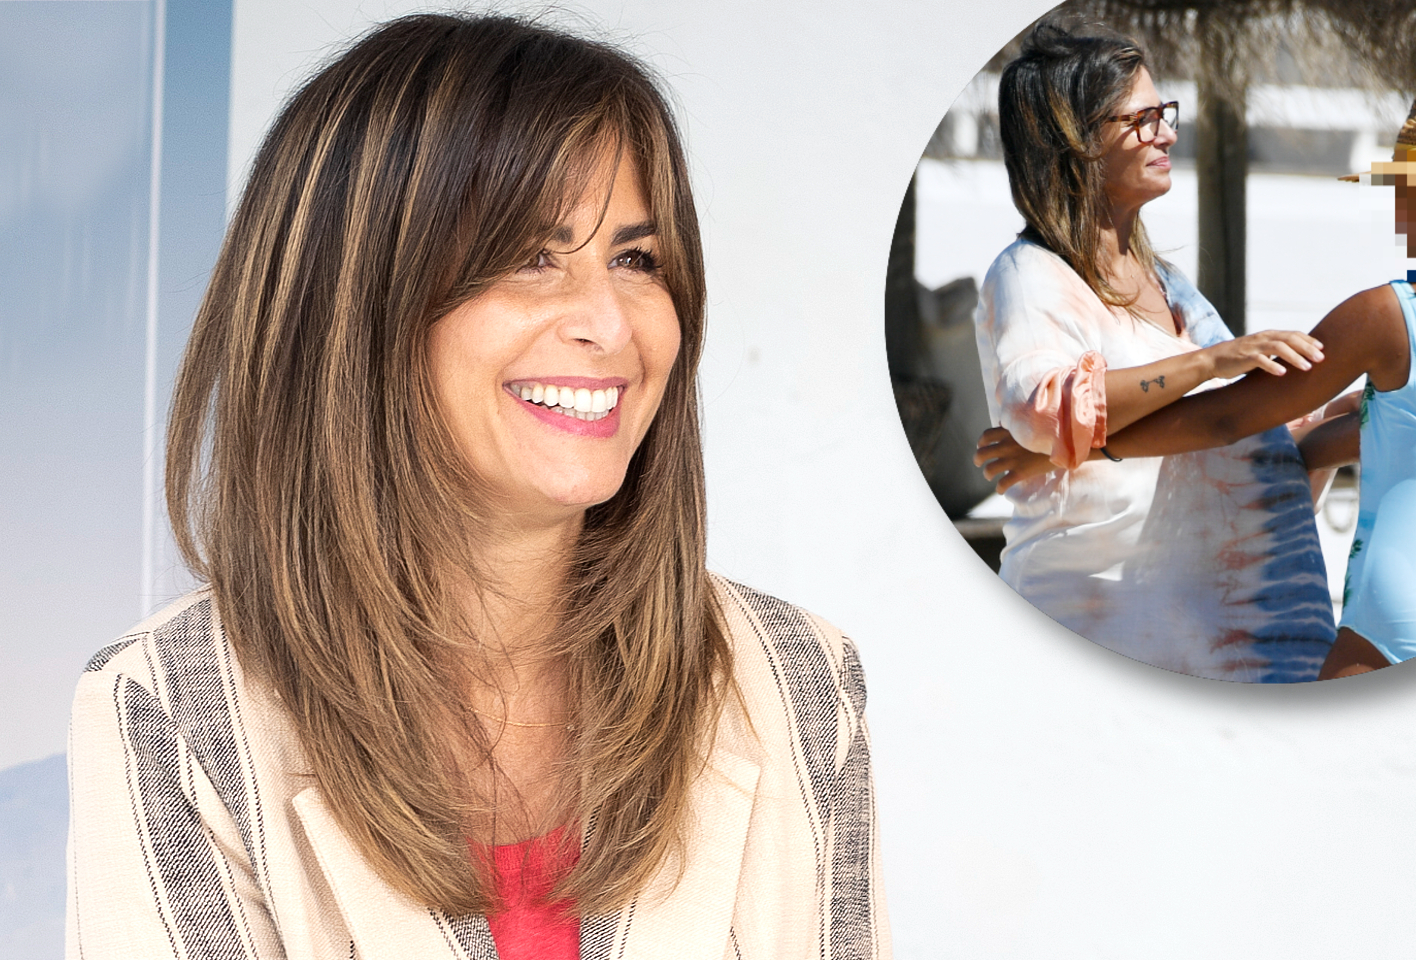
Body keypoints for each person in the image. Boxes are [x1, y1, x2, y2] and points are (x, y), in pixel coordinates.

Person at [65, 15, 888, 960]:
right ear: (355, 304)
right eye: (531, 257)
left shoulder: (797, 681)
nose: (609, 324)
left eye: (636, 259)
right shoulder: (172, 706)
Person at [980, 85, 1416, 680]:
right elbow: (1396, 455)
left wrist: (1078, 449)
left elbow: (1228, 417)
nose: (1396, 210)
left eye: (1403, 191)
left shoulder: (1387, 316)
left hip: (1394, 623)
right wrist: (1333, 423)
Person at [968, 18, 1337, 682]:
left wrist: (1343, 424)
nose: (1167, 133)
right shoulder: (1030, 277)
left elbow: (1239, 439)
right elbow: (1047, 415)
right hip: (1092, 642)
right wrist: (1208, 363)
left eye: (1164, 113)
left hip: (1192, 648)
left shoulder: (1169, 286)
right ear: (1077, 142)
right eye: (1142, 120)